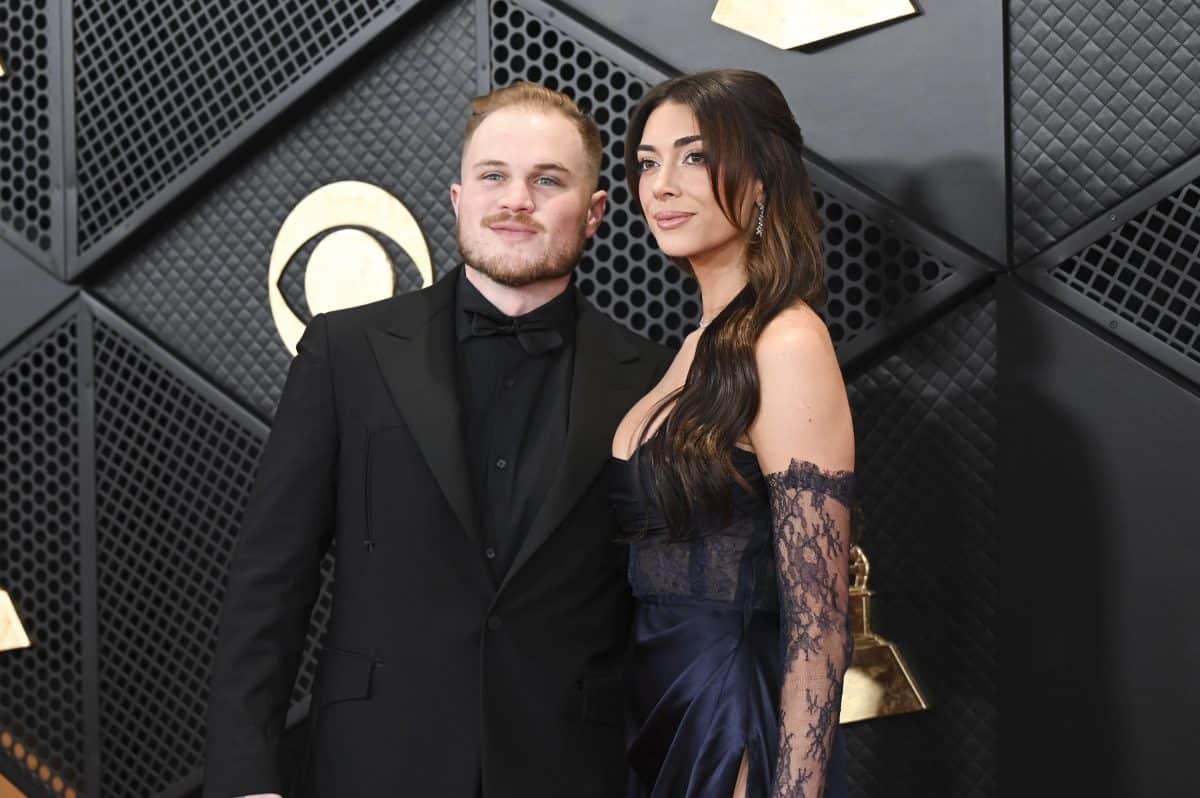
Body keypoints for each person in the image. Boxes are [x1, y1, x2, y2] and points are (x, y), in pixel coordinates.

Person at [203, 82, 670, 798]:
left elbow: (664, 613)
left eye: (548, 180)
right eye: (494, 177)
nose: (517, 199)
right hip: (372, 766)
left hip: (572, 772)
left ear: (596, 212)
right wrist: (245, 778)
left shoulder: (655, 377)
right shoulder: (347, 352)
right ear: (458, 200)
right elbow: (270, 580)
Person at [609, 70, 855, 798]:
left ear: (761, 180)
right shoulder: (692, 347)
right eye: (648, 162)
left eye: (693, 155)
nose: (661, 184)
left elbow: (819, 627)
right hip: (651, 706)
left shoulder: (786, 342)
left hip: (728, 715)